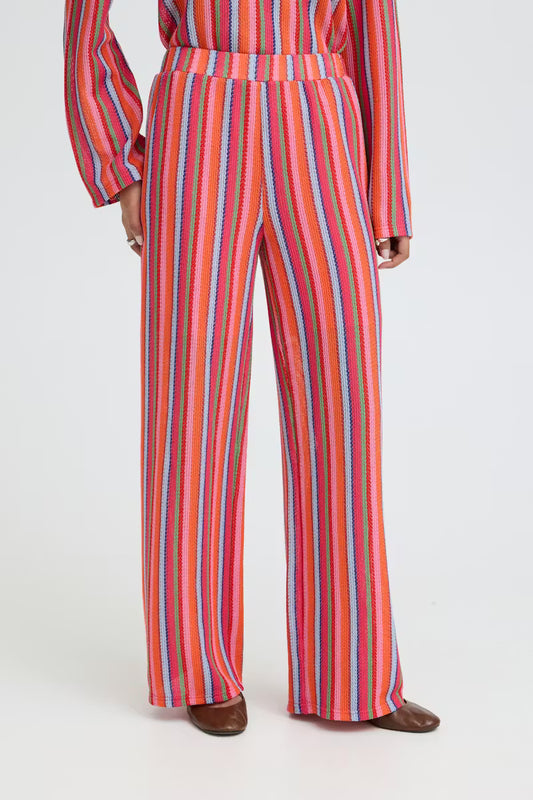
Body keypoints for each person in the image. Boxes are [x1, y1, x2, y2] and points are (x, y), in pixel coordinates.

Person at [63, 0, 440, 736]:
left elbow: (373, 27)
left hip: (321, 121)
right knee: (190, 403)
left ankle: (355, 673)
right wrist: (121, 167)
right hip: (197, 121)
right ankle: (198, 668)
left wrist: (386, 189)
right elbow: (86, 24)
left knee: (344, 401)